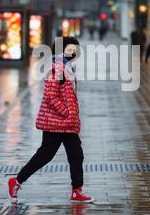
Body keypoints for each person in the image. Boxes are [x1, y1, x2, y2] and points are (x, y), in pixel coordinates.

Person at [8, 37, 95, 203]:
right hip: (57, 122)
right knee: (45, 155)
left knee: (76, 155)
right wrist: (67, 113)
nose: (75, 52)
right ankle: (17, 181)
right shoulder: (58, 68)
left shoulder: (66, 67)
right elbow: (50, 96)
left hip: (66, 123)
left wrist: (70, 116)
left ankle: (77, 191)